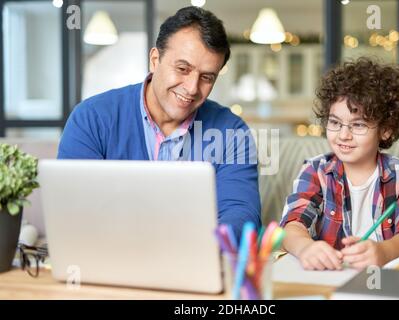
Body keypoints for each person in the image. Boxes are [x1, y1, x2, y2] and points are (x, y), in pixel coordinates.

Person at [58, 6, 261, 239]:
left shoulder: (232, 131)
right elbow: (72, 209)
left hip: (194, 263)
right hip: (109, 260)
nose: (192, 88)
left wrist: (202, 248)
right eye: (182, 69)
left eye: (206, 77)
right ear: (155, 60)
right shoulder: (92, 118)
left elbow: (241, 215)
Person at [280, 58, 399, 270]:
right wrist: (305, 247)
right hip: (328, 277)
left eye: (358, 125)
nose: (344, 135)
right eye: (335, 122)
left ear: (385, 129)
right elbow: (292, 224)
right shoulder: (315, 171)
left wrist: (384, 252)